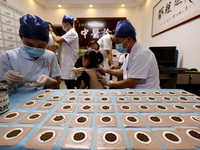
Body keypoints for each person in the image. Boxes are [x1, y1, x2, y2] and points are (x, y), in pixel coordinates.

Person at [0, 14, 61, 90]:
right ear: (20, 37)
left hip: (43, 96)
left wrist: (50, 82)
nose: (35, 49)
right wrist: (7, 83)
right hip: (19, 99)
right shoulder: (8, 57)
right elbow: (2, 90)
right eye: (29, 44)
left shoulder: (50, 56)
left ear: (48, 42)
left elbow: (55, 82)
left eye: (41, 46)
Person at [97, 20, 160, 89]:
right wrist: (104, 70)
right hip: (134, 92)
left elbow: (130, 83)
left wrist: (108, 83)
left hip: (145, 94)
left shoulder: (141, 54)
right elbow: (122, 71)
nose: (117, 45)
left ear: (128, 40)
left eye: (118, 42)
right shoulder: (130, 54)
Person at [51, 14, 78, 89]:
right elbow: (60, 39)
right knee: (68, 83)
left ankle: (72, 99)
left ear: (67, 24)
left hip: (69, 63)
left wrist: (51, 32)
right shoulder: (69, 33)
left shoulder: (72, 33)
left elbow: (58, 40)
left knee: (70, 85)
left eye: (63, 24)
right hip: (67, 62)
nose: (63, 26)